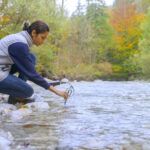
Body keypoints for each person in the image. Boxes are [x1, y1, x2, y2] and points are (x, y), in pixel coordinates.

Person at [0, 20, 68, 104]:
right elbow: (32, 74)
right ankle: (18, 95)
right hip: (1, 72)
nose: (43, 41)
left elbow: (28, 68)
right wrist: (57, 92)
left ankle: (16, 96)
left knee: (32, 58)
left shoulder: (22, 39)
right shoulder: (20, 44)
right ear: (33, 33)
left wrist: (44, 81)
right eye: (42, 38)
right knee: (28, 91)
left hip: (4, 67)